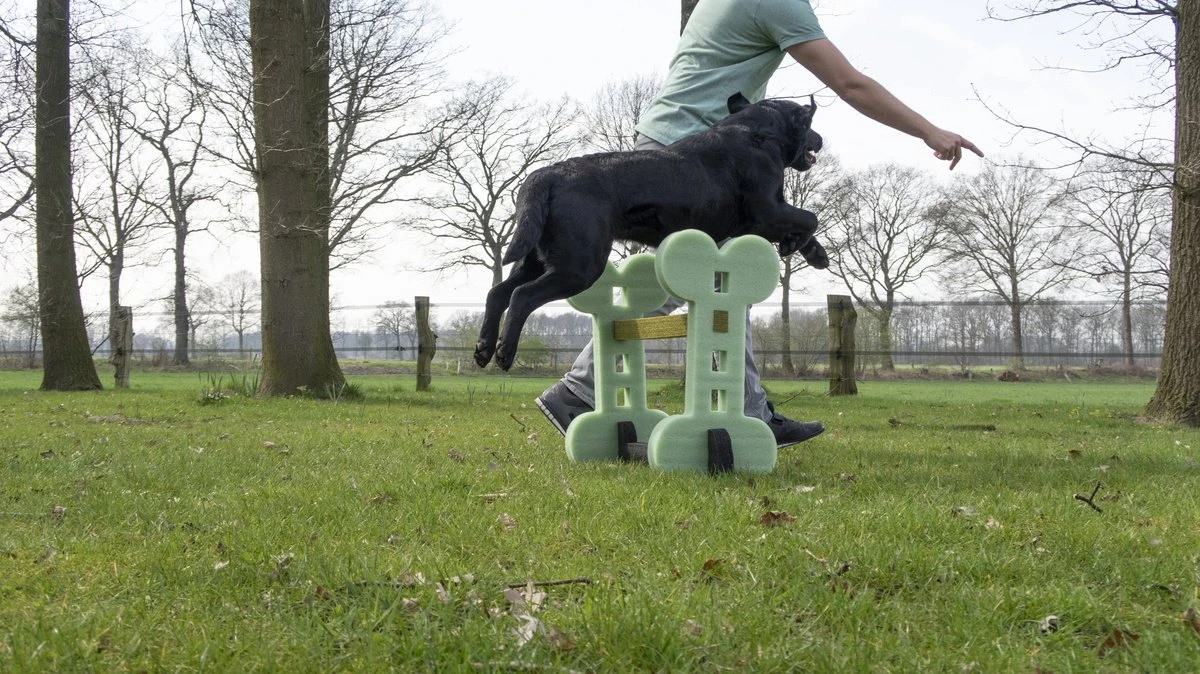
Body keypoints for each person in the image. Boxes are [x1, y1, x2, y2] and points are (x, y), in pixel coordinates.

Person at [536, 0, 983, 446]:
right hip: (695, 150)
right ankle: (604, 392)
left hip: (678, 141)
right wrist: (929, 130)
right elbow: (850, 84)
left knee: (705, 282)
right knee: (720, 281)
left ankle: (612, 393)